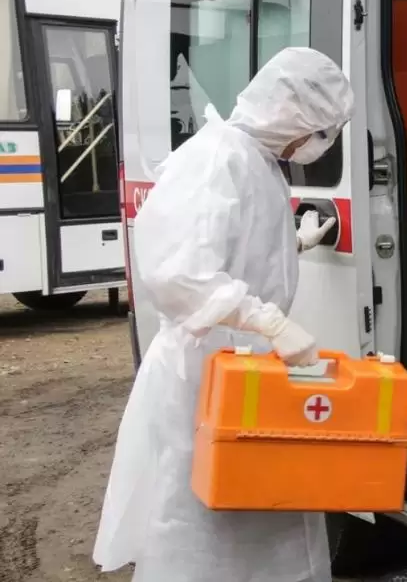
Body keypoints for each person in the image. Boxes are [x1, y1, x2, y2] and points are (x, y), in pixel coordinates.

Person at [92, 47, 354, 581]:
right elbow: (180, 274)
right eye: (321, 131)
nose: (321, 143)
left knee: (260, 505)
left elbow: (234, 249)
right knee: (203, 521)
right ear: (292, 114)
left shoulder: (254, 158)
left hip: (239, 366)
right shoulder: (216, 160)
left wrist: (295, 244)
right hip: (204, 371)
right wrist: (269, 322)